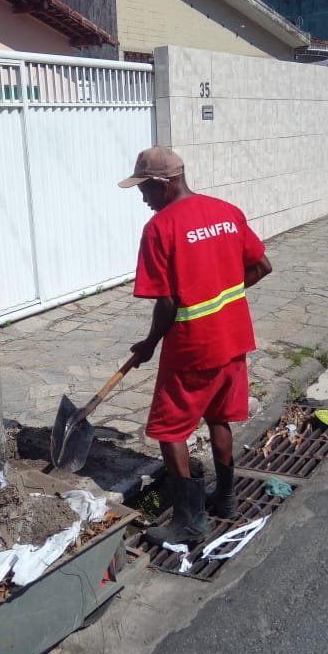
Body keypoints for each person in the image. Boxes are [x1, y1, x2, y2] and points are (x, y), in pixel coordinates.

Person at [119, 144, 272, 546]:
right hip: (234, 338)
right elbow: (261, 266)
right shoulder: (226, 211)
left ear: (162, 184)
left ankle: (190, 522)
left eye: (145, 190)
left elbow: (167, 300)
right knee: (218, 418)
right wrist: (221, 295)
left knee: (169, 430)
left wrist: (150, 343)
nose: (143, 198)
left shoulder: (160, 228)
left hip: (193, 349)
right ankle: (225, 500)